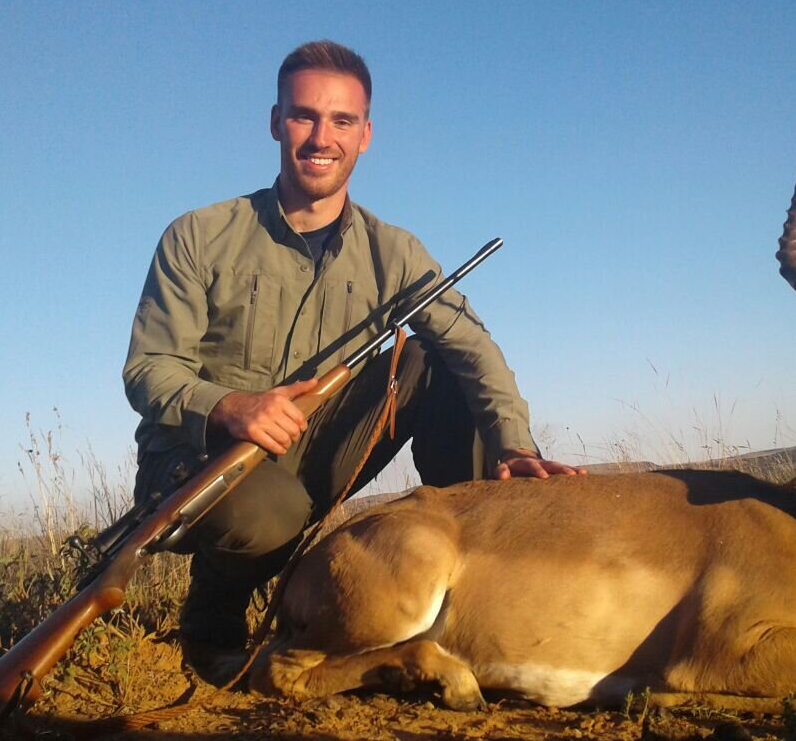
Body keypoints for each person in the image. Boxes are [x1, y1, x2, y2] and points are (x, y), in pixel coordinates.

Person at [123, 40, 585, 683]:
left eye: (342, 121)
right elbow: (150, 370)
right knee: (268, 514)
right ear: (275, 122)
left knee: (438, 361)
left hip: (317, 452)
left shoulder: (393, 251)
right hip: (205, 457)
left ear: (365, 135)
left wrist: (512, 446)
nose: (321, 137)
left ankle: (469, 599)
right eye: (304, 116)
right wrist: (232, 406)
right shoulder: (198, 235)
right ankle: (214, 622)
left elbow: (474, 349)